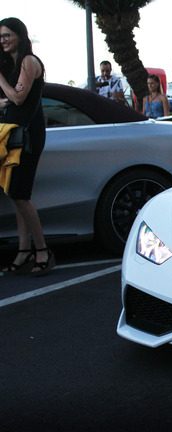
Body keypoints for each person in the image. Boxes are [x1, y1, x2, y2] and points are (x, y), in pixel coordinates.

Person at [0, 17, 54, 275]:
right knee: (16, 194)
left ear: (20, 36)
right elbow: (7, 100)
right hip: (12, 135)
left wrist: (1, 82)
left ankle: (42, 250)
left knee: (19, 194)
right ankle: (23, 251)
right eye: (0, 36)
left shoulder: (29, 62)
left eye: (7, 35)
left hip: (28, 136)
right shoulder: (10, 64)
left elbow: (18, 97)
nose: (3, 40)